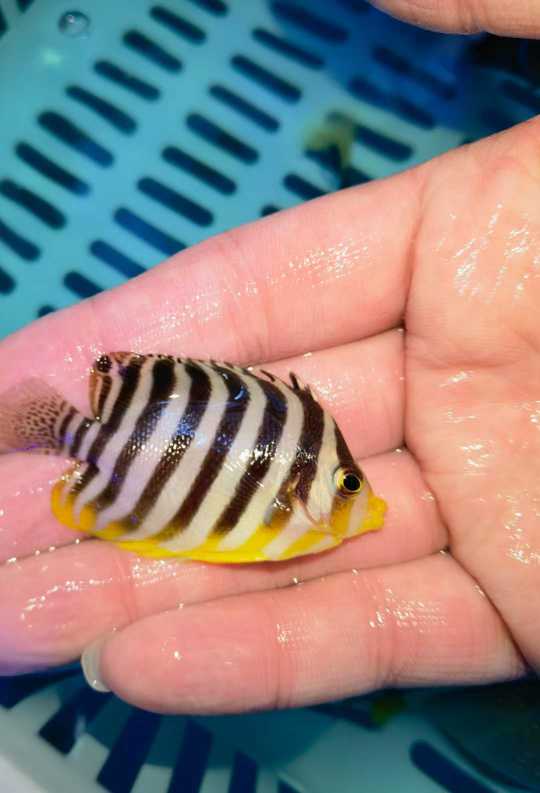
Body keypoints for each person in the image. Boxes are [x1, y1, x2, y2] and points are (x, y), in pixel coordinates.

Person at [0, 0, 537, 714]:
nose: (365, 500)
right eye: (349, 486)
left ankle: (68, 434)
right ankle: (61, 431)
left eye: (352, 484)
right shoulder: (303, 482)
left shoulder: (304, 475)